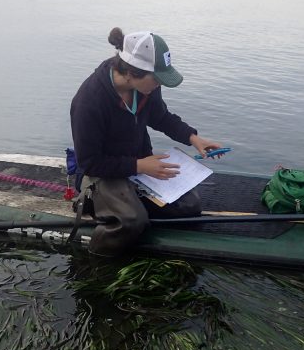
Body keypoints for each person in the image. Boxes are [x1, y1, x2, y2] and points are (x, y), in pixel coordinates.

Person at [70, 27, 224, 256]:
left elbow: (161, 117)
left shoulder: (146, 90)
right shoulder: (89, 101)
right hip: (102, 174)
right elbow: (90, 162)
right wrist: (140, 166)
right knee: (131, 221)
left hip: (139, 166)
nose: (159, 85)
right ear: (132, 72)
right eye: (157, 79)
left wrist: (194, 138)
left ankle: (134, 201)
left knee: (190, 206)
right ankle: (94, 260)